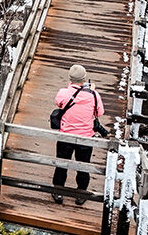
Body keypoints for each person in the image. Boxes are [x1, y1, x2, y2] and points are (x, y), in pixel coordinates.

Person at [52, 65, 105, 205]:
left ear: (70, 78)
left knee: (62, 164)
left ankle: (58, 191)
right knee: (83, 166)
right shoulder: (94, 95)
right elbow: (99, 113)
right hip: (86, 138)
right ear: (84, 78)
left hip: (66, 136)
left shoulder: (63, 92)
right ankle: (81, 193)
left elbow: (59, 103)